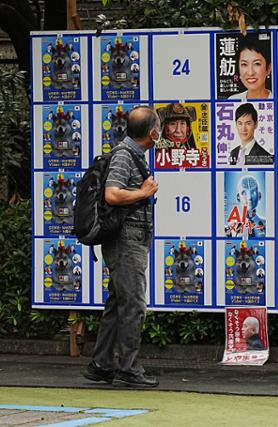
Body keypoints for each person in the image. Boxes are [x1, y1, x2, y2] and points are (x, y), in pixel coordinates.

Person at [83, 106, 160, 388]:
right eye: (159, 128)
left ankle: (102, 364)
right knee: (133, 305)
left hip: (130, 240)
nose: (160, 133)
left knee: (118, 304)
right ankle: (128, 368)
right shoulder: (125, 156)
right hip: (126, 242)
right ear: (152, 133)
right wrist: (143, 192)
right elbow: (112, 193)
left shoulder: (132, 155)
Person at [228, 34, 272, 101]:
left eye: (257, 64)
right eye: (244, 64)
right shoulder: (232, 101)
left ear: (268, 69)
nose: (250, 73)